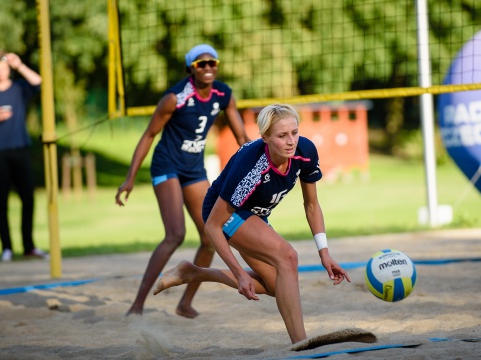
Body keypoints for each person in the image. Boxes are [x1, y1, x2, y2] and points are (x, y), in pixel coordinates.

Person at [153, 104, 351, 344]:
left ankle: (193, 272)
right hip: (224, 213)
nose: (291, 141)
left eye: (294, 132)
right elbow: (213, 227)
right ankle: (302, 345)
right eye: (282, 135)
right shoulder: (252, 167)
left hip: (254, 215)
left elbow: (311, 205)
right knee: (288, 256)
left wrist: (325, 253)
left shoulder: (305, 151)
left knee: (279, 288)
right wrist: (238, 272)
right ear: (265, 137)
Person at [116, 44, 250, 318]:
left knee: (210, 237)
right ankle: (137, 305)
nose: (208, 67)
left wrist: (257, 164)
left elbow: (242, 138)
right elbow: (148, 135)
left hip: (193, 169)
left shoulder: (223, 93)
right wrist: (129, 178)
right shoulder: (175, 98)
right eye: (201, 64)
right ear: (191, 68)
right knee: (175, 234)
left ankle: (184, 303)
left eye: (212, 62)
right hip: (167, 165)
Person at [0, 49, 48, 262]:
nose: (0, 71)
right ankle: (6, 248)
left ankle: (29, 246)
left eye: (4, 67)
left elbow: (38, 83)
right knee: (2, 200)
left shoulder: (18, 88)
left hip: (20, 148)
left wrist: (19, 65)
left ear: (8, 69)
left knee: (28, 198)